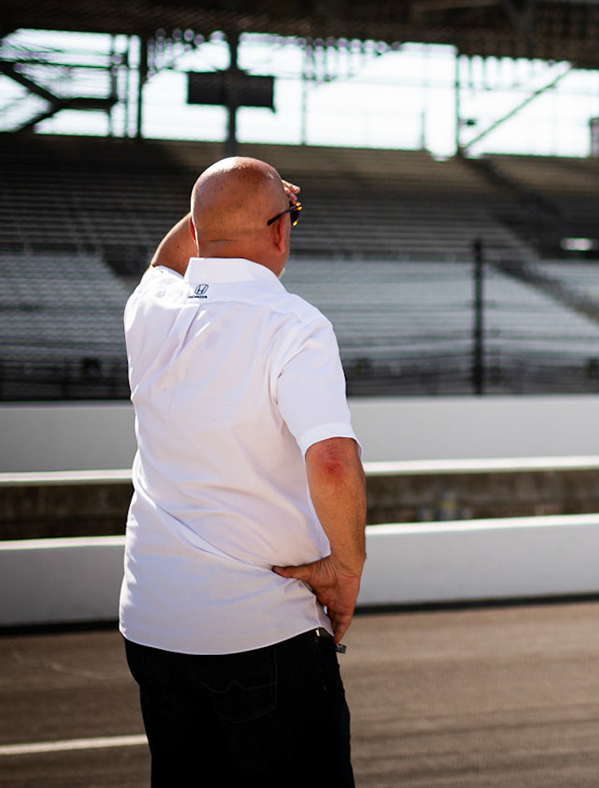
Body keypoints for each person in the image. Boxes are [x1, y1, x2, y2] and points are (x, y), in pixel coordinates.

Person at [118, 156, 366, 786]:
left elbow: (167, 262)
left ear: (200, 232)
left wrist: (228, 206)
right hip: (263, 629)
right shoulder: (294, 324)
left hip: (153, 626)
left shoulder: (151, 311)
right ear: (280, 231)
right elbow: (332, 460)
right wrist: (345, 568)